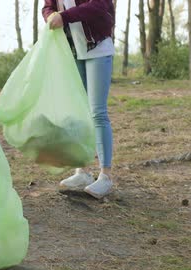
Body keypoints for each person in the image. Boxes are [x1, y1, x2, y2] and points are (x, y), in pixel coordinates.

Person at [42, 0, 115, 199]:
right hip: (73, 50)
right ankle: (83, 172)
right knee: (80, 112)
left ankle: (105, 176)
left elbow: (99, 6)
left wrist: (63, 16)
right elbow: (48, 6)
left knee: (97, 112)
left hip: (97, 47)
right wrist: (50, 15)